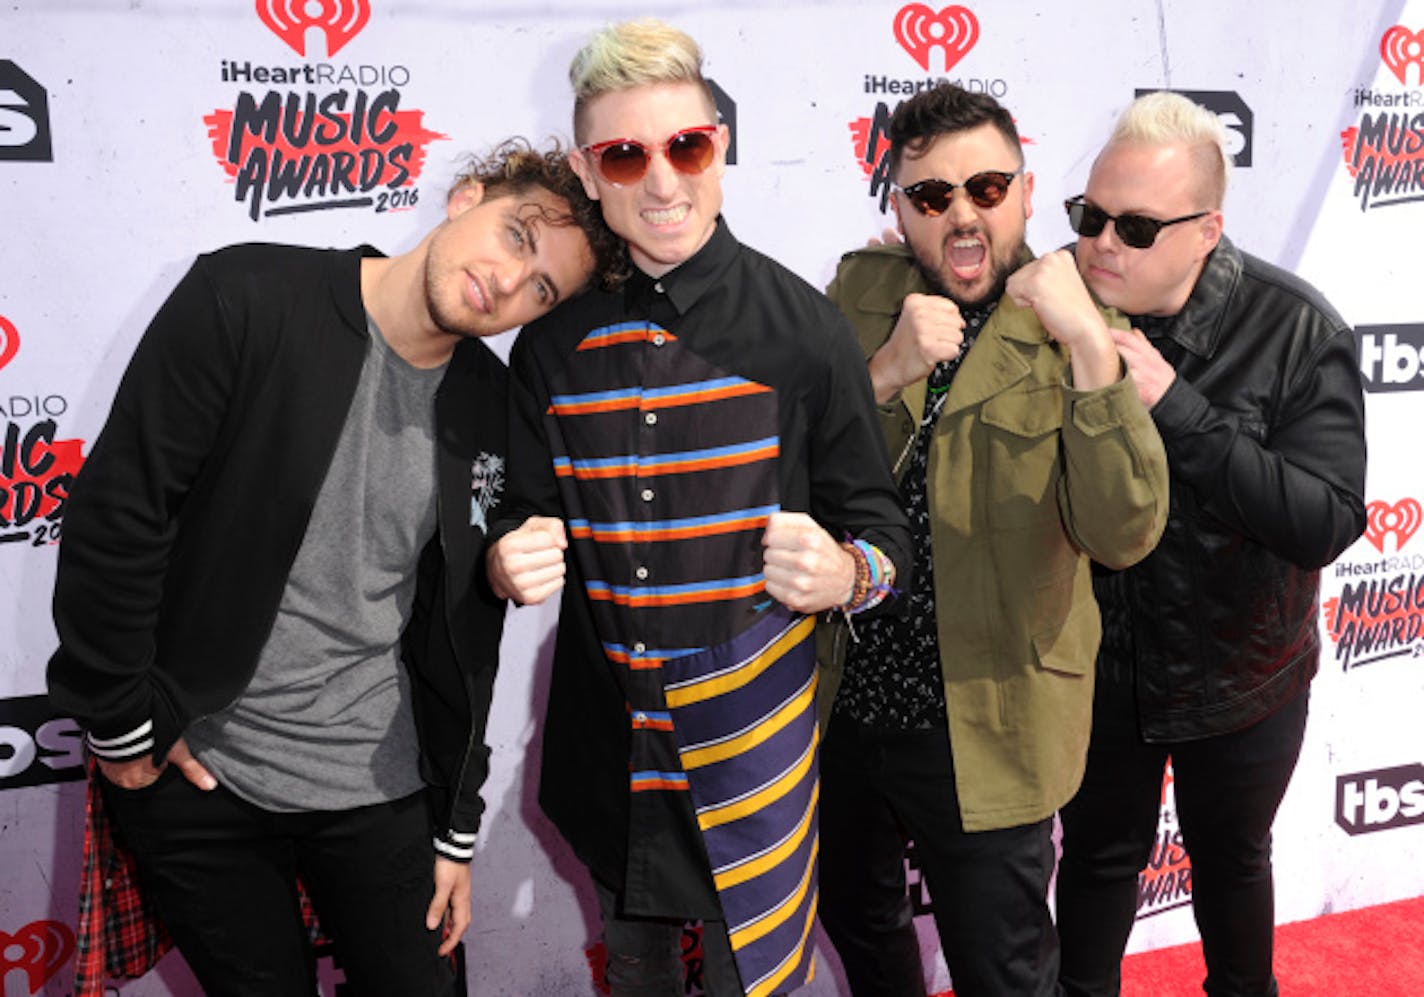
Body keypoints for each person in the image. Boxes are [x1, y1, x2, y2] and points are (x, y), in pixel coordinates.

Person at [46, 139, 624, 997]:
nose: (509, 281)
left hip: (374, 779)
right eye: (516, 237)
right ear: (467, 196)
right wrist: (122, 727)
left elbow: (469, 630)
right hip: (196, 771)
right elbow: (121, 512)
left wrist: (456, 828)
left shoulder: (491, 409)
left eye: (541, 287)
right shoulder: (244, 294)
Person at [484, 19, 910, 997]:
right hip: (608, 741)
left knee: (745, 978)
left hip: (751, 740)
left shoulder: (804, 332)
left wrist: (848, 572)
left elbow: (883, 537)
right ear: (589, 176)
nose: (662, 180)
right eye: (625, 155)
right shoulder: (548, 344)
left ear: (719, 145)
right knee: (631, 966)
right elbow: (511, 504)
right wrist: (508, 544)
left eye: (685, 145)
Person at [816, 83, 1170, 997]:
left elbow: (1124, 529)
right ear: (899, 206)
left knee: (1004, 967)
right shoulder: (861, 292)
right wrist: (887, 370)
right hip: (843, 702)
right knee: (859, 925)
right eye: (931, 197)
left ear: (1024, 188)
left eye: (985, 186)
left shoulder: (1078, 320)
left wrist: (1091, 348)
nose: (961, 214)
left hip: (985, 717)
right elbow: (789, 479)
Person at [1054, 92, 1367, 997]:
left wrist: (1179, 412)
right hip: (1101, 671)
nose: (1104, 243)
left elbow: (1326, 517)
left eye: (1138, 226)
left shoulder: (1295, 327)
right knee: (1100, 861)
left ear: (1205, 230)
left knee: (1233, 859)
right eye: (1090, 217)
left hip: (1245, 673)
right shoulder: (1055, 304)